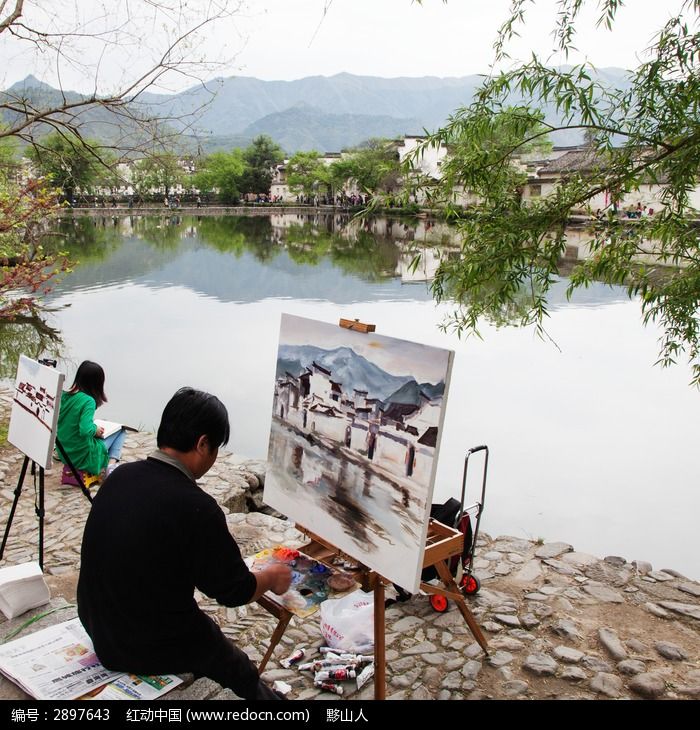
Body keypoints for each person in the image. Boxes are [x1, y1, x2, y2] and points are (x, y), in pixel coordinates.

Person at [77, 387, 292, 700]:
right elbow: (234, 590)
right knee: (237, 667)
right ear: (203, 444)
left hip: (97, 624)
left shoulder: (120, 476)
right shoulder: (196, 507)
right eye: (216, 448)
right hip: (139, 644)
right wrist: (272, 577)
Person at [56, 361, 126, 479]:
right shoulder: (88, 401)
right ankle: (111, 465)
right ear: (97, 383)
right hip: (81, 454)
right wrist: (96, 429)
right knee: (121, 430)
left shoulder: (64, 394)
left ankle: (110, 465)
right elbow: (85, 430)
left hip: (64, 451)